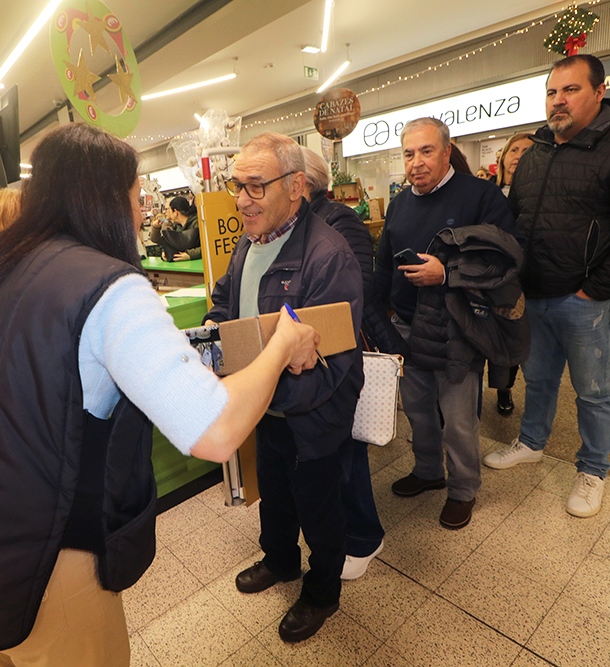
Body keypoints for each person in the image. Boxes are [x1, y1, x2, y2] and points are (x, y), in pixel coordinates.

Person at [0, 123, 320, 667]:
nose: (142, 213)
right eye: (137, 198)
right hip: (45, 564)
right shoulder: (109, 288)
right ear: (107, 199)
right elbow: (215, 430)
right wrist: (282, 345)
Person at [483, 55, 610, 517]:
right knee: (539, 380)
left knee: (593, 390)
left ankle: (593, 469)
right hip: (535, 294)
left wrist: (597, 288)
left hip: (586, 300)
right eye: (552, 92)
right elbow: (517, 218)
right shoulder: (537, 150)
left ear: (599, 91)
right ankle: (531, 442)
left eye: (570, 90)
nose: (559, 100)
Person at [207, 132, 363, 643]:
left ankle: (322, 593)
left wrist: (263, 394)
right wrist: (213, 331)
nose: (241, 200)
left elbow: (334, 360)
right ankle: (279, 560)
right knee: (274, 493)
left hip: (312, 415)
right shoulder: (249, 242)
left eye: (255, 186)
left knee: (319, 508)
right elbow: (226, 301)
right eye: (237, 186)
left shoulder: (327, 256)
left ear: (296, 186)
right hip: (267, 409)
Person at [373, 117, 519, 530]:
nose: (416, 162)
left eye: (426, 151)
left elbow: (506, 258)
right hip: (406, 326)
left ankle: (463, 489)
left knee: (457, 418)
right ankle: (428, 471)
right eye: (408, 154)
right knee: (418, 410)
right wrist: (378, 312)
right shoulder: (400, 203)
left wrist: (447, 273)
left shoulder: (480, 195)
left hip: (458, 326)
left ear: (447, 151)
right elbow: (383, 265)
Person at [301, 147, 385, 580]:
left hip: (338, 356)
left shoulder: (338, 220)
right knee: (326, 455)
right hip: (309, 359)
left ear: (299, 182)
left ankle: (365, 536)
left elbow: (357, 294)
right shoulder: (289, 226)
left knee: (348, 449)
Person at [488, 132, 535, 415]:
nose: (518, 156)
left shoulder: (536, 194)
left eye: (527, 151)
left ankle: (504, 387)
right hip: (488, 272)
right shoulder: (487, 192)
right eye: (514, 150)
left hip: (519, 275)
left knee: (510, 333)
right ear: (504, 156)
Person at [149, 196, 201, 261]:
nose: (165, 212)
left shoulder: (197, 224)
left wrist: (190, 255)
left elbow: (207, 247)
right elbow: (161, 241)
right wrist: (167, 253)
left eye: (168, 209)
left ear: (176, 212)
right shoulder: (175, 227)